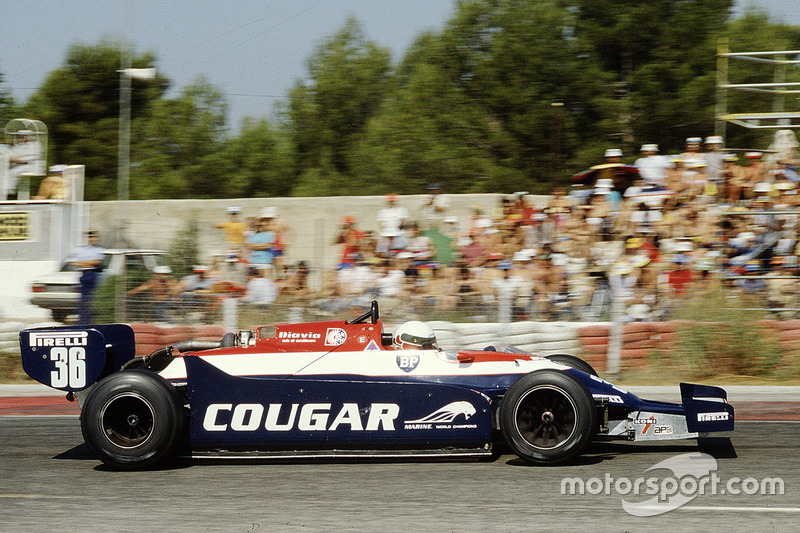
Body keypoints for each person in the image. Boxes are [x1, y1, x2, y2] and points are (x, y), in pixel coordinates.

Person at [67, 230, 105, 325]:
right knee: (83, 299)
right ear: (86, 238)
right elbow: (74, 262)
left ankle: (91, 321)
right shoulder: (80, 250)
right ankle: (83, 322)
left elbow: (97, 262)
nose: (91, 239)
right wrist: (88, 263)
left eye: (93, 237)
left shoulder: (98, 249)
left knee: (92, 298)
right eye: (89, 237)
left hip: (93, 274)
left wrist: (83, 263)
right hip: (84, 274)